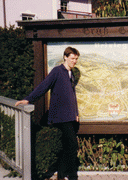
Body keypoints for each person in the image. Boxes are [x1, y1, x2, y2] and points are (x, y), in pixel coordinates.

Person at [15, 46, 80, 180]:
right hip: (61, 117)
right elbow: (44, 86)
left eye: (76, 59)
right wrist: (28, 99)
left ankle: (61, 175)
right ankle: (73, 176)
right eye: (72, 58)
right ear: (65, 57)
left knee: (67, 146)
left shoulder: (70, 73)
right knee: (73, 145)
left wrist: (76, 113)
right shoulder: (57, 71)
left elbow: (73, 96)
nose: (75, 61)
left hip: (70, 116)